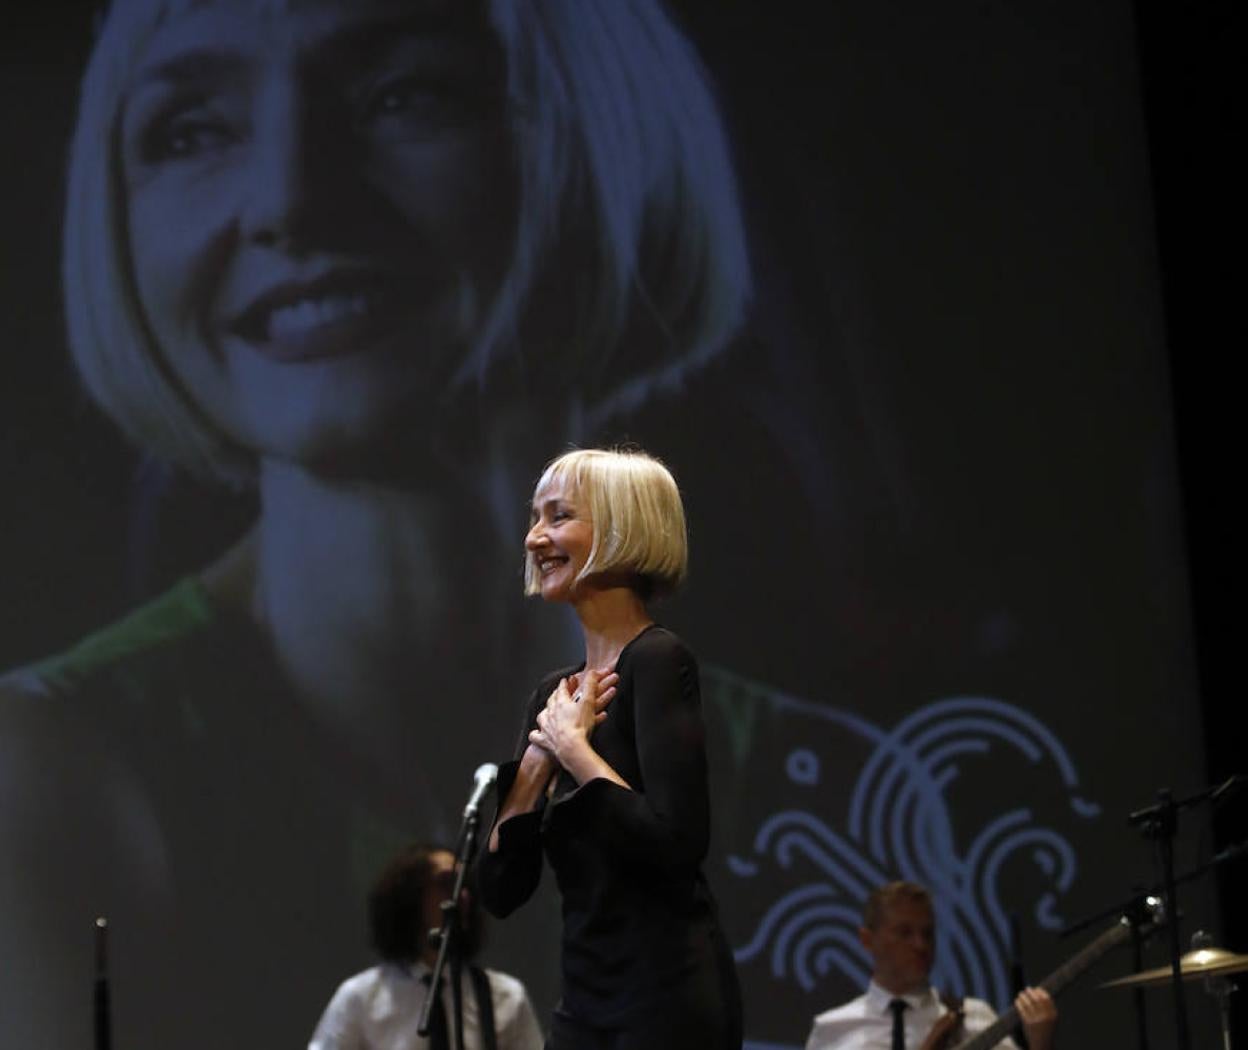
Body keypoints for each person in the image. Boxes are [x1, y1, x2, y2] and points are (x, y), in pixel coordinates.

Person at [0, 1, 748, 1046]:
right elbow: (507, 878)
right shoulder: (48, 773)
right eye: (192, 131)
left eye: (408, 96)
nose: (291, 203)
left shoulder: (792, 760)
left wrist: (571, 764)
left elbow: (661, 853)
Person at [476, 447, 742, 1050]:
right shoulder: (554, 693)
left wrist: (575, 752)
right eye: (535, 518)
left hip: (665, 997)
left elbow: (677, 843)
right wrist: (537, 767)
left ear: (622, 528)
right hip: (585, 1001)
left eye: (559, 517)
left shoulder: (657, 660)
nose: (534, 538)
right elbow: (500, 889)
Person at [309, 843, 544, 1050]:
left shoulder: (505, 996)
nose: (461, 895)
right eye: (445, 882)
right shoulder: (361, 997)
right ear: (409, 896)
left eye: (464, 885)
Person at [804, 882, 1057, 1050]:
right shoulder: (831, 1030)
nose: (920, 945)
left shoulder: (974, 1017)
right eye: (904, 933)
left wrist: (1040, 1043)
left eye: (927, 933)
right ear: (867, 940)